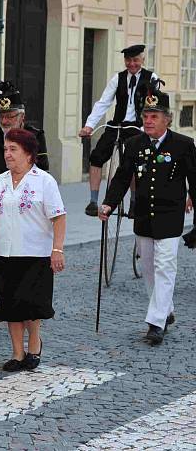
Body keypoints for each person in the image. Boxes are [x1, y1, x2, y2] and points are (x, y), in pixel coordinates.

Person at [100, 89, 196, 345]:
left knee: (165, 267)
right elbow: (121, 177)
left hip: (170, 217)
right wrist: (109, 203)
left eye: (154, 116)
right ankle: (166, 308)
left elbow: (194, 182)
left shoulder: (183, 145)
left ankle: (156, 323)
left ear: (167, 119)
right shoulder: (134, 144)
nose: (148, 121)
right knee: (149, 268)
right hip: (143, 215)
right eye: (146, 115)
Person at [0, 128, 66, 372]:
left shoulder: (44, 181)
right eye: (6, 149)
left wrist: (57, 249)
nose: (7, 154)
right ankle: (17, 353)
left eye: (13, 149)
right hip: (5, 252)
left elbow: (59, 217)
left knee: (31, 305)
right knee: (10, 305)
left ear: (29, 154)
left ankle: (34, 344)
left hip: (35, 253)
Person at [79, 44, 157, 217]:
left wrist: (149, 128)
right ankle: (93, 200)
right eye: (128, 60)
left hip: (138, 127)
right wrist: (89, 125)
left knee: (134, 162)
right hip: (117, 125)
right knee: (96, 156)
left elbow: (155, 107)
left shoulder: (151, 78)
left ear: (142, 60)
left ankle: (134, 202)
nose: (131, 64)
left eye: (135, 60)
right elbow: (103, 102)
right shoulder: (118, 78)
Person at [0, 83, 49, 196]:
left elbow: (43, 171)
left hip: (28, 196)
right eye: (1, 116)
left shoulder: (36, 136)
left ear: (22, 117)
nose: (5, 121)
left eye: (10, 116)